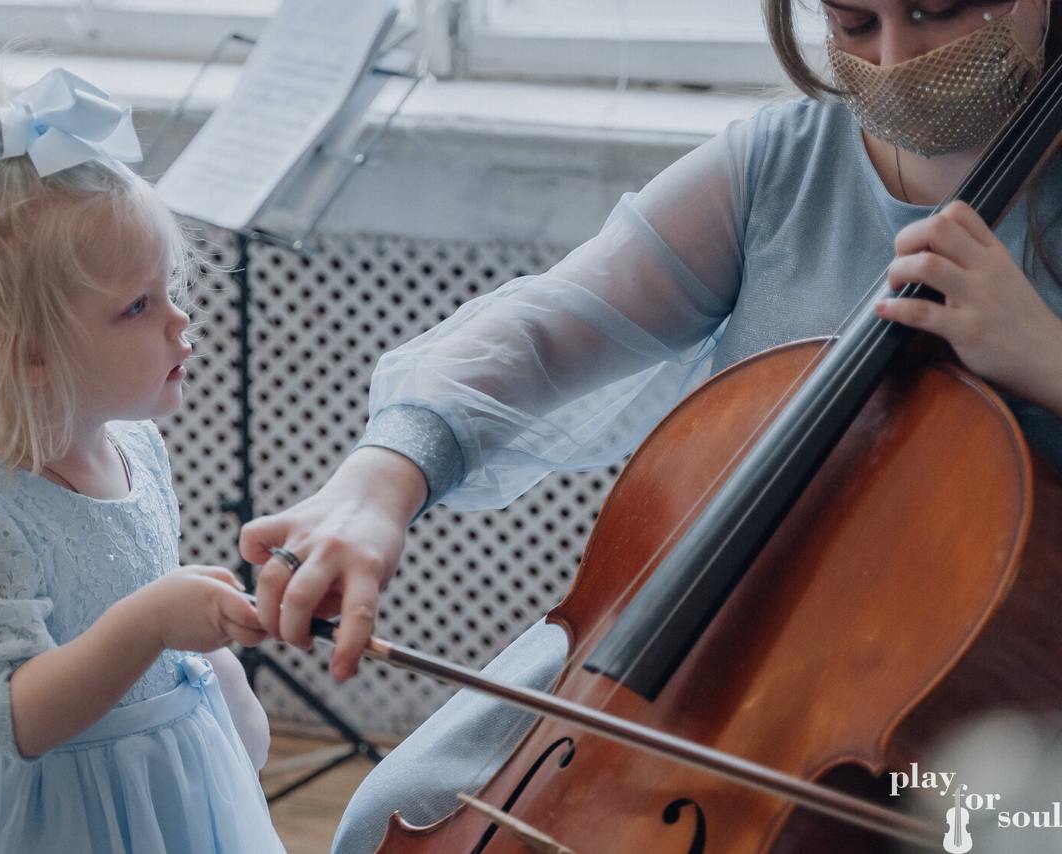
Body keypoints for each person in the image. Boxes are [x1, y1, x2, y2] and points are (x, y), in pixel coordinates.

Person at [237, 1, 1062, 851]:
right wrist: (381, 478)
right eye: (853, 22)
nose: (893, 58)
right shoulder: (783, 163)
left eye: (937, 10)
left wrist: (1045, 355)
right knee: (389, 815)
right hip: (679, 648)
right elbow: (545, 329)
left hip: (975, 715)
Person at [0, 61, 285, 853]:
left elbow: (145, 603)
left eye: (170, 290)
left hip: (163, 781)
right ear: (32, 355)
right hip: (54, 813)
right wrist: (152, 622)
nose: (181, 323)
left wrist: (216, 678)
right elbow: (15, 715)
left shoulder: (139, 451)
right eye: (139, 306)